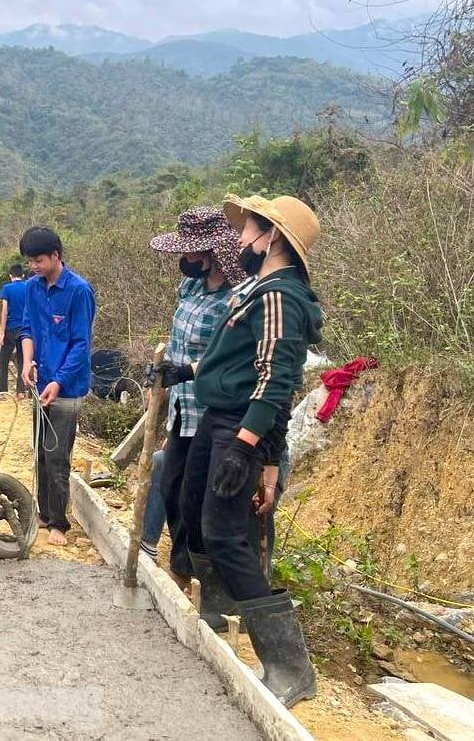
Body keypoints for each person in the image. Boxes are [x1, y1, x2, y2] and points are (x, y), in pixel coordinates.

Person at [167, 194, 323, 708]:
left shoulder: (280, 295)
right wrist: (187, 372)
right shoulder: (260, 290)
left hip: (238, 428)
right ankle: (213, 608)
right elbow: (236, 367)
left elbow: (276, 380)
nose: (238, 240)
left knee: (228, 535)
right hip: (222, 419)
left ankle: (289, 667)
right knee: (192, 514)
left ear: (270, 236)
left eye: (246, 230)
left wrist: (248, 449)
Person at [141, 206, 245, 590]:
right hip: (183, 407)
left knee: (195, 496)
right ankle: (181, 566)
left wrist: (189, 370)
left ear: (214, 253)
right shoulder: (190, 287)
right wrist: (166, 368)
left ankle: (194, 576)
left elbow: (231, 355)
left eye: (191, 253)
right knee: (171, 486)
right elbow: (178, 341)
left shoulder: (234, 300)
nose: (184, 260)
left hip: (212, 411)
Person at [18, 226, 95, 547]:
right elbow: (27, 329)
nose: (33, 266)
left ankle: (59, 523)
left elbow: (80, 344)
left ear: (55, 256)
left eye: (38, 260)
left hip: (66, 386)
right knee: (40, 452)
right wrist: (27, 362)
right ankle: (44, 512)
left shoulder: (79, 291)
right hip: (40, 382)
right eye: (29, 261)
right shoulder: (33, 289)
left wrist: (58, 380)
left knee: (57, 455)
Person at [0, 264, 27, 395]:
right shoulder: (28, 287)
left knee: (3, 361)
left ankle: (2, 392)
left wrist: (2, 332)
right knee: (22, 360)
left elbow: (4, 311)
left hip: (11, 329)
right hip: (25, 329)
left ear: (10, 276)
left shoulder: (7, 288)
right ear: (23, 275)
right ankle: (21, 391)